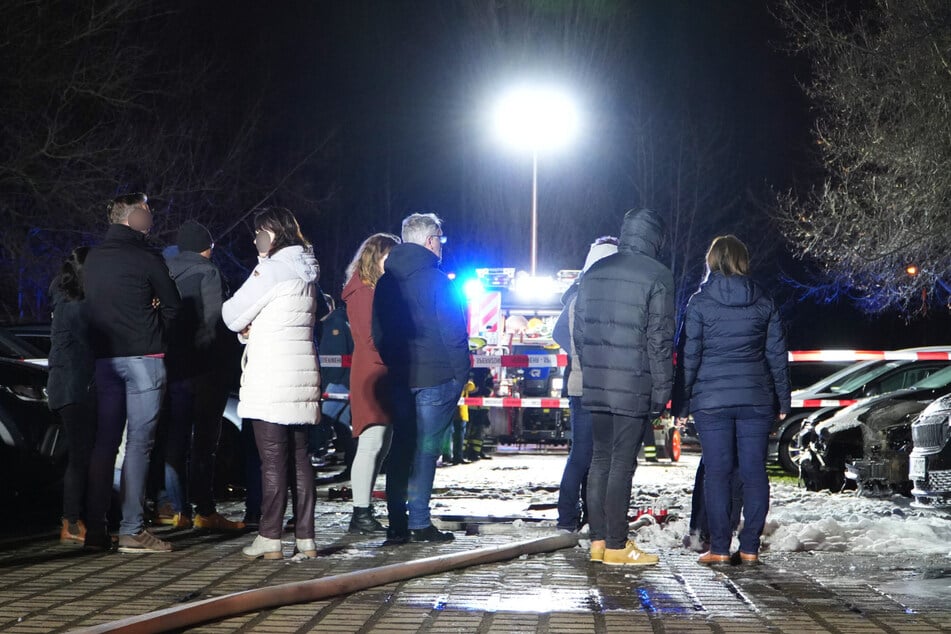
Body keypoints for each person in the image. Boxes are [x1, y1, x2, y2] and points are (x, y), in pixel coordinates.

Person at [675, 235, 790, 565]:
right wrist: (783, 401)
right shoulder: (763, 300)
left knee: (718, 473)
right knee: (754, 473)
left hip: (711, 401)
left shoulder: (699, 302)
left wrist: (681, 404)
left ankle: (721, 549)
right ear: (743, 260)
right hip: (755, 399)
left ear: (712, 261)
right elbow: (776, 356)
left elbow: (690, 356)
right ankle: (751, 548)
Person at [573, 208, 674, 566]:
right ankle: (618, 544)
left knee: (599, 460)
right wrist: (663, 391)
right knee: (621, 464)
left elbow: (580, 332)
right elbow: (659, 340)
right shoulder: (657, 275)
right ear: (655, 238)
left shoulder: (594, 272)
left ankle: (598, 542)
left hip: (597, 384)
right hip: (634, 384)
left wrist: (592, 369)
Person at [83, 192, 182, 553]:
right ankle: (131, 529)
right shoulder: (145, 257)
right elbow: (173, 306)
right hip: (144, 358)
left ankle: (95, 529)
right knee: (139, 444)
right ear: (134, 217)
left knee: (105, 443)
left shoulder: (91, 260)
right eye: (148, 214)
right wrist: (155, 326)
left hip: (105, 360)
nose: (151, 220)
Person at [222, 207, 322, 560]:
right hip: (301, 372)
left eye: (258, 233)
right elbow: (284, 317)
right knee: (300, 457)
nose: (254, 240)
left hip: (271, 375)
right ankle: (306, 537)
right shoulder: (308, 270)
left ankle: (270, 536)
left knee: (272, 460)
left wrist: (248, 326)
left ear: (272, 233)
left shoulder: (272, 269)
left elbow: (232, 314)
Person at [372, 213, 469, 544]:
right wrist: (460, 376)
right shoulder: (439, 281)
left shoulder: (386, 282)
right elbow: (454, 334)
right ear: (430, 241)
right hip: (436, 377)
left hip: (400, 379)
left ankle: (397, 524)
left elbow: (378, 334)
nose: (441, 248)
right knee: (427, 451)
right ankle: (419, 522)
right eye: (439, 241)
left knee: (401, 449)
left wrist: (396, 365)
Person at [157, 220, 244, 532]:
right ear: (209, 247)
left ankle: (175, 508)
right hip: (205, 372)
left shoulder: (163, 271)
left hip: (172, 368)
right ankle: (204, 510)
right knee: (204, 442)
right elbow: (214, 323)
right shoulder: (209, 272)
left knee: (175, 438)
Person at [553, 237, 618, 532]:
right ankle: (581, 516)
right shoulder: (606, 298)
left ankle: (570, 517)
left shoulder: (577, 296)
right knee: (594, 456)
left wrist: (576, 357)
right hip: (602, 386)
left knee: (582, 455)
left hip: (580, 385)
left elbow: (560, 334)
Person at [341, 232, 400, 534]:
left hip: (380, 372)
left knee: (380, 444)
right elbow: (370, 336)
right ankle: (360, 512)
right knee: (371, 443)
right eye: (390, 257)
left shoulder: (371, 289)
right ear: (376, 257)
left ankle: (364, 508)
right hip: (373, 373)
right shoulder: (364, 292)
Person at [47, 247, 97, 545]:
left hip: (69, 387)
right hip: (74, 388)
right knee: (80, 456)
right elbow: (91, 344)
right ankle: (72, 521)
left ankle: (76, 518)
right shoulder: (77, 307)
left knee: (80, 454)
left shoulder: (65, 298)